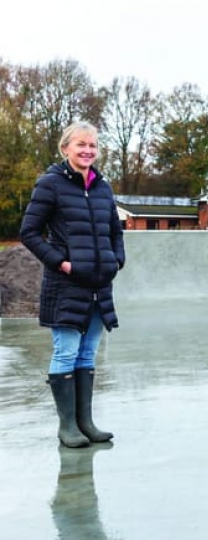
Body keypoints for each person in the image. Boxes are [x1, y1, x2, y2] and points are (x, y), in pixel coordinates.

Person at [20, 121, 124, 448]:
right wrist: (61, 262)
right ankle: (67, 426)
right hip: (65, 285)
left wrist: (116, 260)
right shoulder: (50, 184)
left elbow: (115, 232)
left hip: (99, 285)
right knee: (66, 352)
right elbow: (30, 233)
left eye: (92, 145)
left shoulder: (103, 187)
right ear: (66, 148)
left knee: (88, 353)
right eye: (81, 145)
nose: (87, 151)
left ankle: (85, 423)